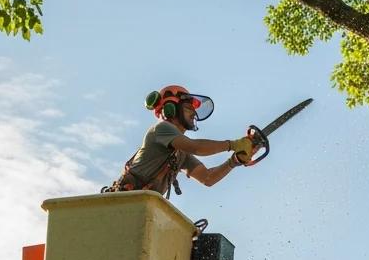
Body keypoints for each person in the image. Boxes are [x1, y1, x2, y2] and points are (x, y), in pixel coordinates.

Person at [104, 83, 258, 198]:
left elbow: (208, 178)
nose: (193, 114)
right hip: (123, 202)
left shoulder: (180, 153)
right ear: (170, 108)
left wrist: (234, 160)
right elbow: (196, 147)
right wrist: (233, 144)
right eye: (188, 108)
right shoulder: (161, 129)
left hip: (142, 205)